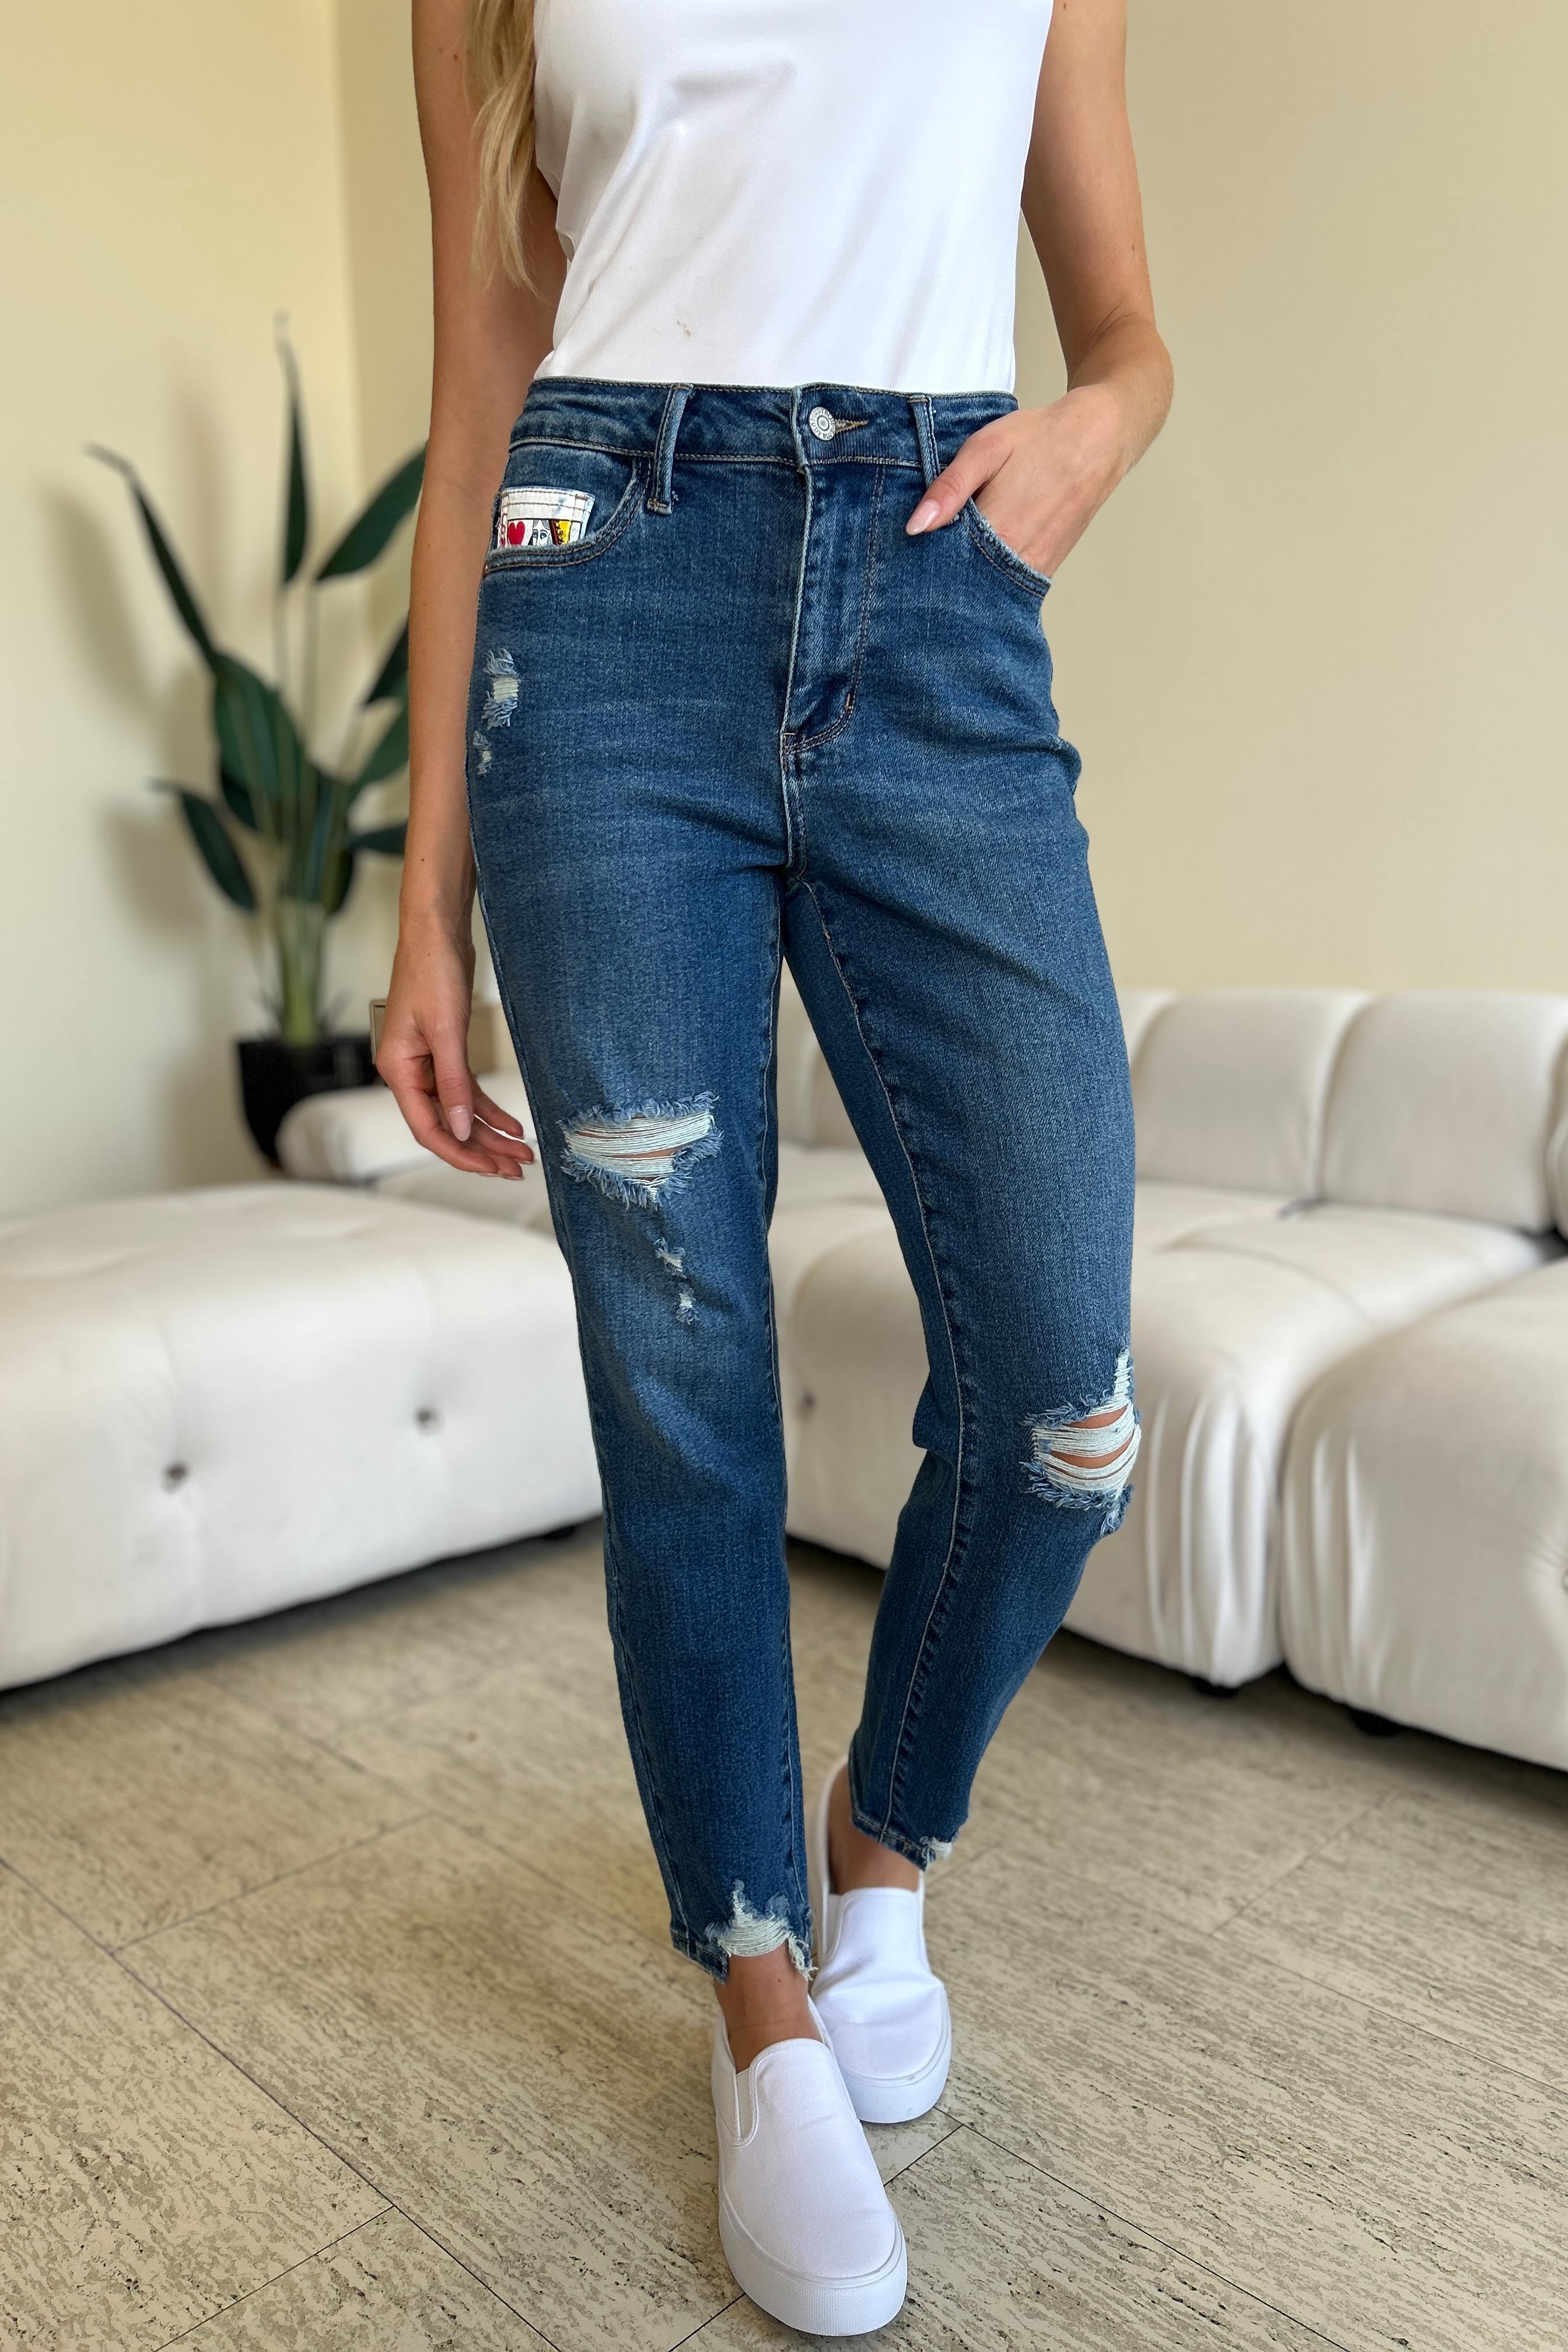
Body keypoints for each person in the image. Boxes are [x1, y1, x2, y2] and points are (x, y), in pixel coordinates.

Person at [382, 0, 1171, 2332]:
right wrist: (418, 895)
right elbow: (479, 382)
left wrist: (1101, 423)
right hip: (596, 593)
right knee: (684, 1392)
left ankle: (876, 1853)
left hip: (941, 605)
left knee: (1062, 1391)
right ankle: (761, 2005)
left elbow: (1121, 321)